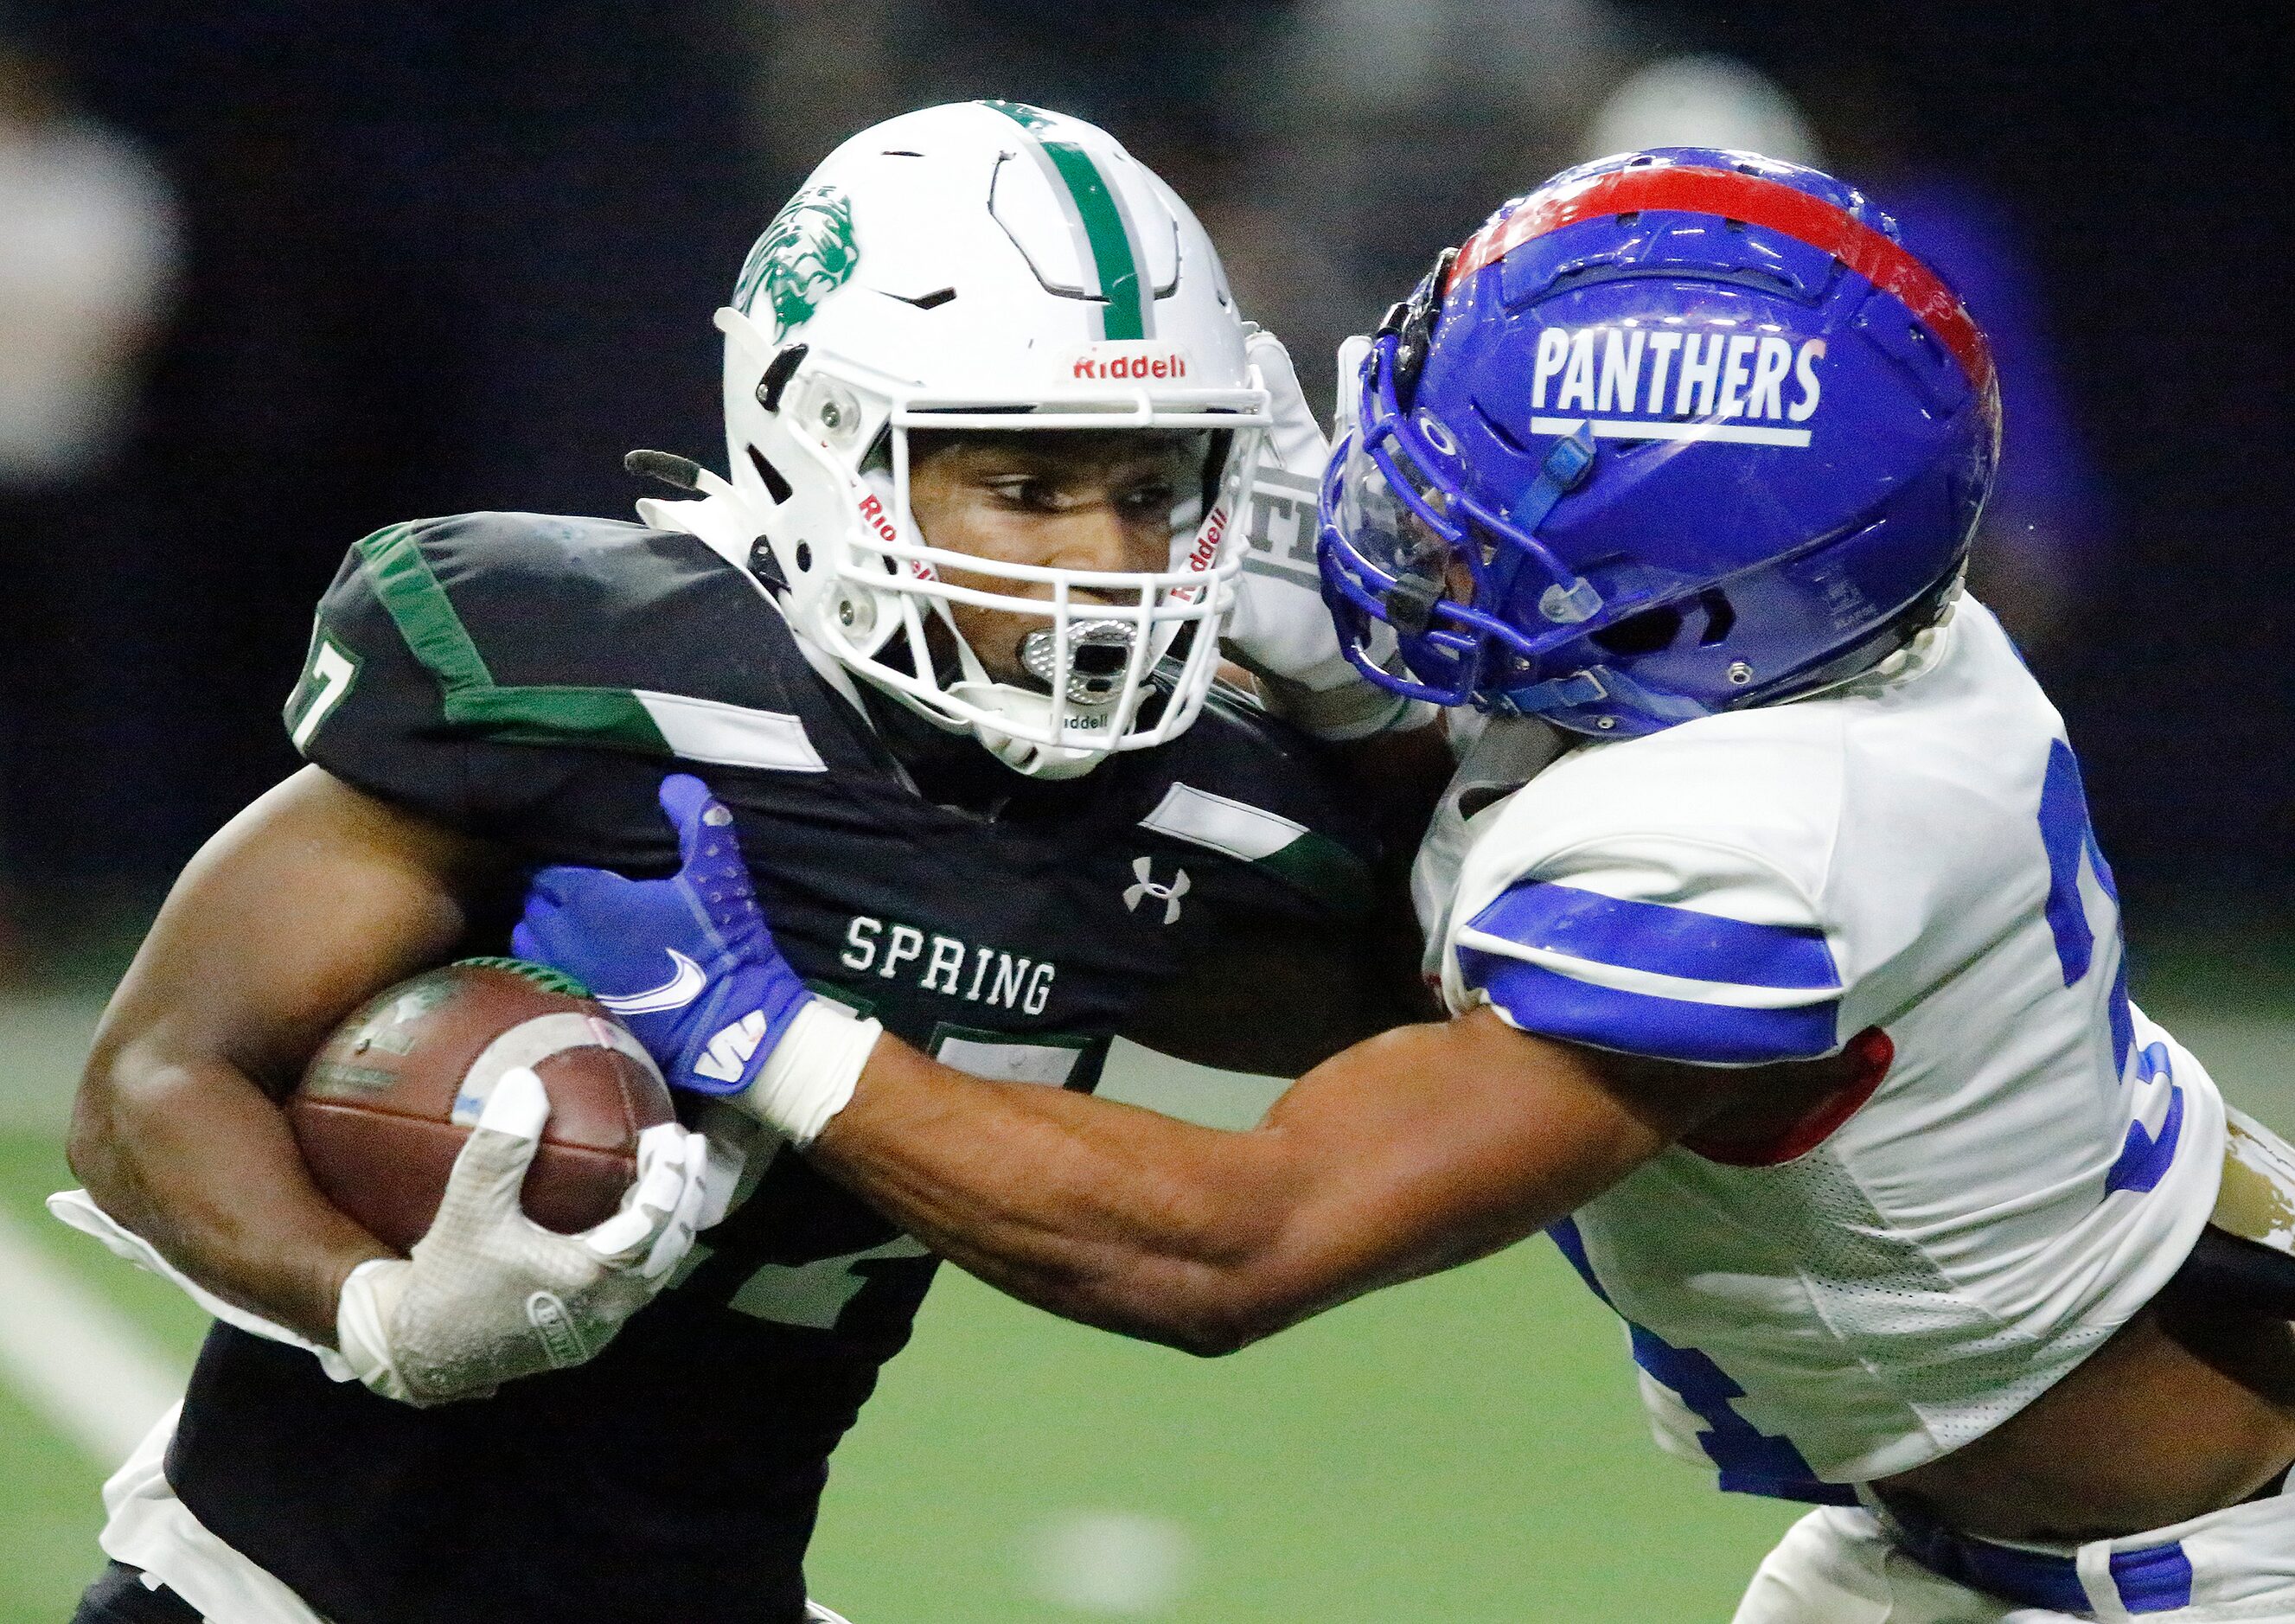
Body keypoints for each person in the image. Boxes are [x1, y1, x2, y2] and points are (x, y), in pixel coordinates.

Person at [520, 148, 2295, 1622]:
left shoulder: (1761, 843)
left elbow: (1240, 1246)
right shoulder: (1812, 631)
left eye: (1476, 505)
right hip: (1959, 1528)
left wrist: (770, 1033)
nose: (1396, 509)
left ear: (1681, 610)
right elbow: (1492, 724)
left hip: (2191, 1567)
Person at [57, 101, 1435, 1624]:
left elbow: (1488, 997)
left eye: (1148, 489)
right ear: (822, 443)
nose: (1101, 562)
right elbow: (158, 1073)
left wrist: (1380, 703)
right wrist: (374, 1306)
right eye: (1028, 489)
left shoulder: (1187, 817)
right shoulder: (579, 672)